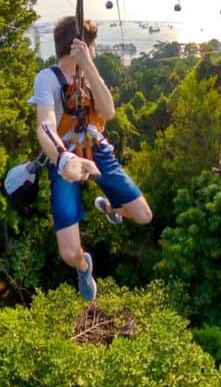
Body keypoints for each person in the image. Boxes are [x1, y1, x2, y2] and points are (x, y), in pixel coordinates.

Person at [29, 16, 153, 301]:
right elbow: (45, 125)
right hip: (64, 152)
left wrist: (88, 67)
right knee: (69, 252)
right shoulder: (47, 79)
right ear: (81, 46)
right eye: (92, 48)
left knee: (143, 215)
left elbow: (108, 112)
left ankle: (111, 207)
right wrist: (64, 160)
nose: (94, 52)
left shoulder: (89, 75)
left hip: (96, 148)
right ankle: (84, 268)